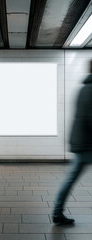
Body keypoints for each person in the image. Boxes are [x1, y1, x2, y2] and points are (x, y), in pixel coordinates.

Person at [52, 63, 92, 225]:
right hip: (87, 144)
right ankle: (56, 212)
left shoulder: (84, 88)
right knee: (70, 179)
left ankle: (57, 212)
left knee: (70, 179)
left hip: (82, 142)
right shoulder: (90, 90)